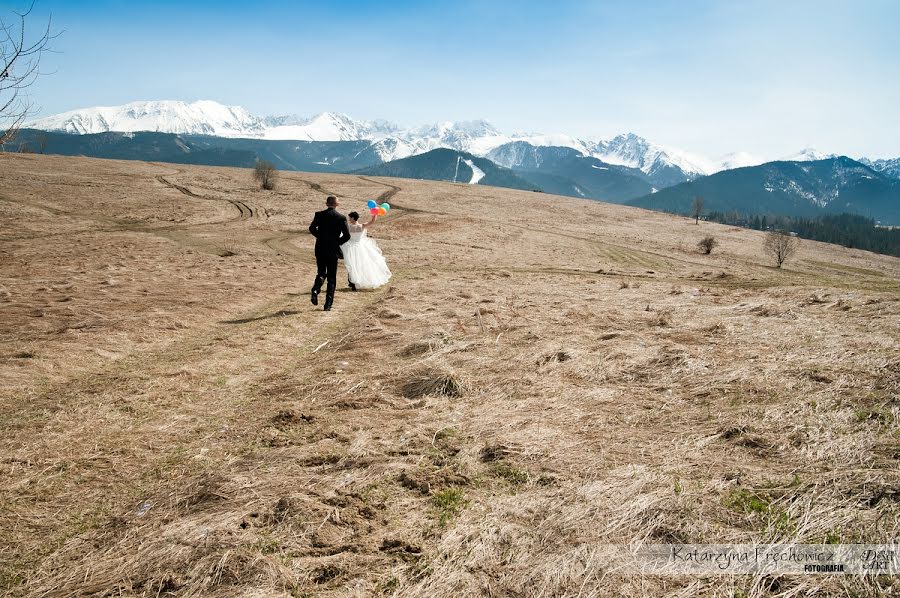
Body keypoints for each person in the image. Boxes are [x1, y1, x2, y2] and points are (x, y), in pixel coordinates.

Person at [308, 196, 351, 311]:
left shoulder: (319, 214)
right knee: (332, 277)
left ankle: (315, 290)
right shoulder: (341, 217)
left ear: (326, 203)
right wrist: (336, 242)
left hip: (320, 248)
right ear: (337, 204)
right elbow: (347, 236)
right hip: (333, 250)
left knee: (321, 272)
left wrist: (320, 237)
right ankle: (328, 305)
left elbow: (311, 228)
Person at [343, 210, 391, 289]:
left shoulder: (348, 227)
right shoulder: (362, 226)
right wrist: (375, 215)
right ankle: (355, 282)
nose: (349, 219)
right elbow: (372, 222)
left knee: (352, 264)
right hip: (360, 246)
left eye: (349, 217)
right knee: (359, 264)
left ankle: (353, 282)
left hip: (350, 247)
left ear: (352, 218)